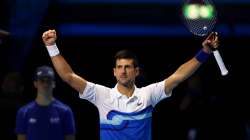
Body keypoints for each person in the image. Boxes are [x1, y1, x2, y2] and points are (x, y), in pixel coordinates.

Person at [42, 29, 219, 140]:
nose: (123, 71)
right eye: (119, 67)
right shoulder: (102, 95)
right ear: (114, 71)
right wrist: (52, 47)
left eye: (127, 67)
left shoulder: (149, 94)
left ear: (136, 72)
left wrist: (204, 52)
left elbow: (179, 76)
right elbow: (68, 76)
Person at [15, 65, 76, 140]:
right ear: (35, 83)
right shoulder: (24, 112)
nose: (45, 84)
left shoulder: (65, 111)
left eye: (48, 80)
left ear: (53, 83)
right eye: (42, 80)